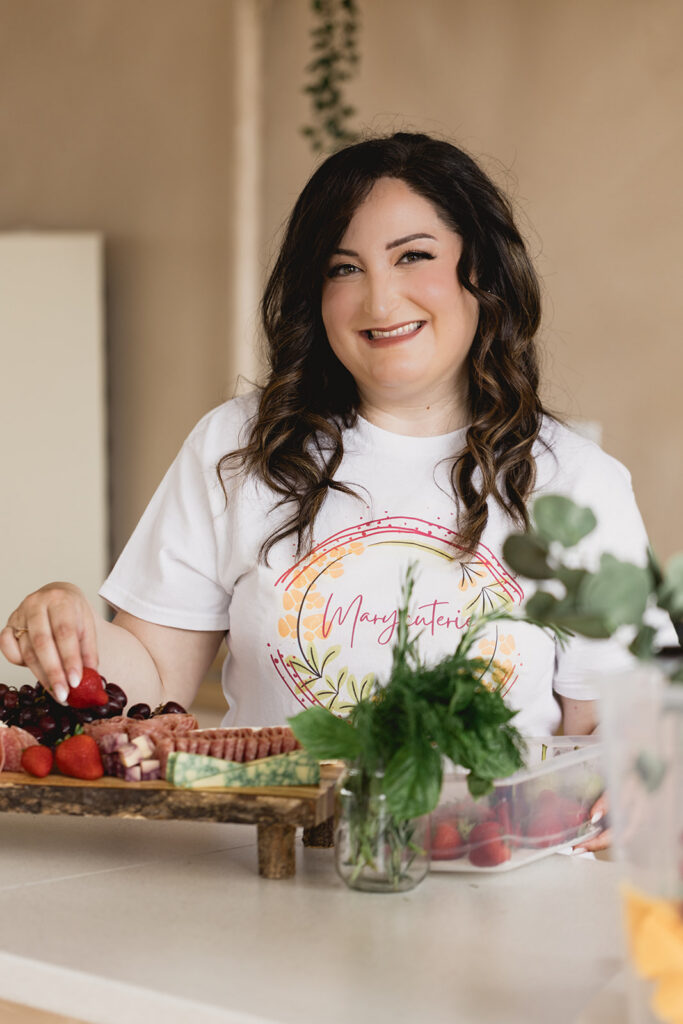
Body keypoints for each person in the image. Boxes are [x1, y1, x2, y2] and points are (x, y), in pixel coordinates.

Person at [0, 133, 665, 848]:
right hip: (263, 866)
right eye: (342, 268)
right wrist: (70, 627)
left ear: (485, 272)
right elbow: (154, 680)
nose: (379, 299)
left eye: (413, 256)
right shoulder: (239, 447)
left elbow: (606, 724)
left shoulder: (572, 481)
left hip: (479, 868)